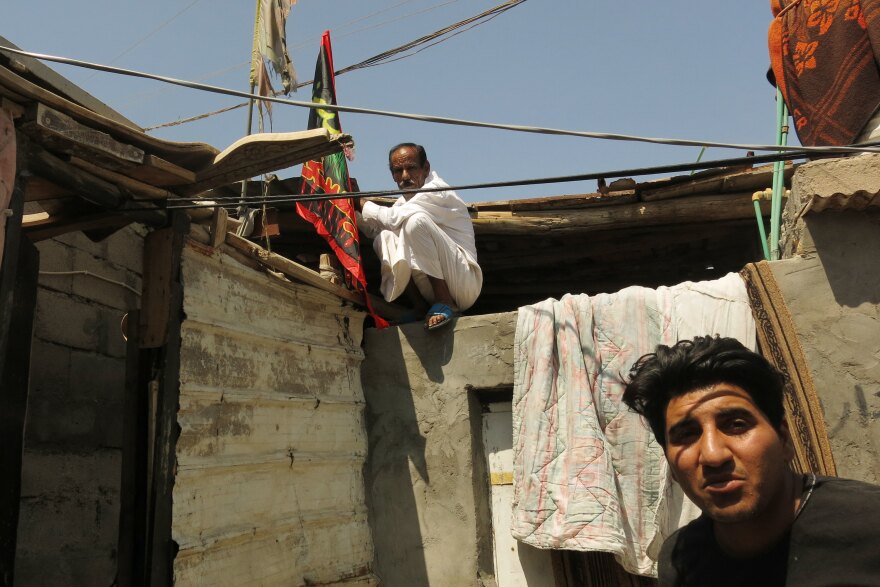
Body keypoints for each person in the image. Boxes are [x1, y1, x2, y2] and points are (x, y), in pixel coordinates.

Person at [622, 335, 880, 586]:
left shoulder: (870, 525)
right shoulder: (679, 560)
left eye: (736, 425)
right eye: (687, 435)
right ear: (671, 465)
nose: (713, 455)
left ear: (784, 439)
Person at [356, 143, 482, 330]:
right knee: (385, 237)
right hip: (429, 290)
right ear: (392, 175)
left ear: (426, 168)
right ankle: (420, 307)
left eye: (411, 168)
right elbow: (375, 229)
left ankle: (444, 301)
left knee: (415, 222)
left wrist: (360, 202)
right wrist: (349, 203)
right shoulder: (403, 203)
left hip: (464, 284)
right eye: (398, 171)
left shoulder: (437, 190)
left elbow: (392, 218)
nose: (405, 176)